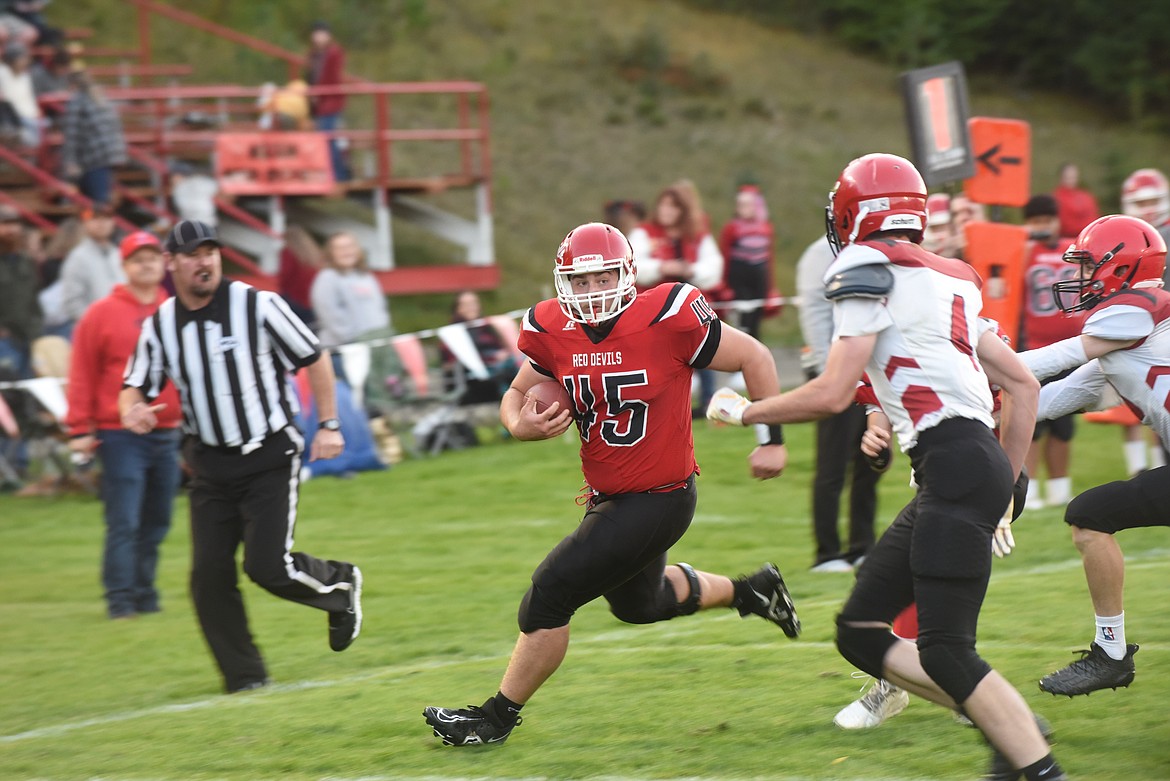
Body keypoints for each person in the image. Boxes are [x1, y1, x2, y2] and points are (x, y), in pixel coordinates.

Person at [708, 154, 1064, 781]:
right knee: (859, 631)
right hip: (962, 462)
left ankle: (1033, 763)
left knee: (947, 650)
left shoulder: (862, 264)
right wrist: (1005, 482)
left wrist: (745, 411)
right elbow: (1024, 384)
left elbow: (832, 392)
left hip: (953, 464)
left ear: (852, 213)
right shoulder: (953, 274)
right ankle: (1008, 728)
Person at [423, 222, 799, 747]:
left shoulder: (667, 316)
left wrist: (771, 437)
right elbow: (517, 391)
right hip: (613, 496)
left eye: (603, 279)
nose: (592, 292)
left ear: (626, 274)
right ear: (564, 284)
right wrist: (517, 423)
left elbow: (755, 356)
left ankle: (494, 719)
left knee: (550, 593)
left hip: (662, 496)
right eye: (581, 282)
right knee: (639, 606)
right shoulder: (552, 328)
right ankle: (752, 590)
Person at [119, 219, 363, 694]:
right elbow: (133, 386)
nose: (204, 261)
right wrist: (132, 412)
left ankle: (340, 587)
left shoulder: (258, 304)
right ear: (172, 264)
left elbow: (314, 357)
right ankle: (246, 678)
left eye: (210, 251)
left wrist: (329, 425)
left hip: (268, 453)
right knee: (208, 578)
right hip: (209, 465)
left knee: (266, 566)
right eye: (192, 254)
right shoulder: (162, 324)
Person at [1016, 214, 1167, 697]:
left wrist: (975, 363)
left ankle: (1112, 655)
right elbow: (1051, 398)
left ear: (1118, 267)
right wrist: (967, 407)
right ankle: (1111, 653)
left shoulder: (1137, 309)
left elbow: (1055, 359)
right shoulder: (1127, 338)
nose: (1078, 278)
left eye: (1086, 266)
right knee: (1090, 514)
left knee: (1090, 515)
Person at [65, 231, 182, 619]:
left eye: (152, 257)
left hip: (167, 430)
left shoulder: (175, 309)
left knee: (158, 518)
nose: (146, 264)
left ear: (163, 263)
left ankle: (145, 592)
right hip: (120, 432)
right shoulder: (101, 313)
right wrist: (80, 428)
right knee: (124, 519)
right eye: (138, 258)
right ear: (125, 265)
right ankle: (120, 598)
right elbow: (82, 371)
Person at [795, 233, 882, 573]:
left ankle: (862, 545)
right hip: (836, 370)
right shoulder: (821, 252)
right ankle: (827, 552)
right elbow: (816, 312)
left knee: (871, 460)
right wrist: (826, 372)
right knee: (832, 464)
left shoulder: (874, 248)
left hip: (872, 372)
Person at [628, 182, 724, 412]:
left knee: (704, 353)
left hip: (690, 307)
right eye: (664, 206)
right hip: (652, 309)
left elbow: (714, 268)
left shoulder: (697, 236)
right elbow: (631, 264)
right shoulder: (644, 233)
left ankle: (708, 404)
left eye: (673, 207)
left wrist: (691, 270)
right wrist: (662, 267)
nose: (667, 211)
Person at [1018, 194, 1084, 510]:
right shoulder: (1022, 253)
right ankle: (1029, 489)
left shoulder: (1075, 249)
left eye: (1047, 220)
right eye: (1036, 221)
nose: (1042, 227)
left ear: (1057, 220)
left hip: (1073, 349)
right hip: (1035, 348)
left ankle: (1060, 487)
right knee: (1032, 423)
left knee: (1064, 423)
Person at [309, 231, 396, 413]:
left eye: (349, 247)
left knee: (377, 398)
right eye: (340, 248)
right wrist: (355, 340)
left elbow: (380, 308)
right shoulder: (327, 278)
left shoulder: (365, 276)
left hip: (374, 347)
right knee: (356, 402)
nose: (346, 252)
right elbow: (329, 314)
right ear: (331, 253)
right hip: (346, 352)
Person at [718, 184, 779, 340]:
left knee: (756, 314)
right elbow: (724, 256)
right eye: (740, 205)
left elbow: (769, 257)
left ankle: (755, 348)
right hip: (739, 273)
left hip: (759, 273)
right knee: (742, 314)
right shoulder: (732, 228)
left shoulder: (766, 228)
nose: (743, 209)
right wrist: (724, 285)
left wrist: (771, 287)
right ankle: (741, 348)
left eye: (747, 205)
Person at [60, 67, 127, 205]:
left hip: (94, 157)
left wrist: (70, 162)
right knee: (101, 197)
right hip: (112, 154)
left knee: (97, 202)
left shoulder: (77, 101)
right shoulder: (101, 96)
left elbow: (72, 134)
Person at [440, 289, 516, 404]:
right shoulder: (452, 334)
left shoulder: (486, 327)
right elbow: (454, 363)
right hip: (475, 378)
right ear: (457, 308)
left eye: (473, 303)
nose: (471, 307)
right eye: (466, 304)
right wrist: (492, 358)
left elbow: (501, 348)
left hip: (500, 368)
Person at [57, 202, 121, 335]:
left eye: (106, 218)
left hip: (122, 327)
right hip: (93, 333)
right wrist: (97, 325)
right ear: (85, 223)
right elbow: (72, 303)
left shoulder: (119, 254)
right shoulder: (76, 258)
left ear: (113, 222)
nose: (101, 223)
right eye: (95, 218)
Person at [305, 20, 349, 182]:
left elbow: (333, 78)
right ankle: (334, 174)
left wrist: (320, 93)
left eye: (322, 33)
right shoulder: (314, 55)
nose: (319, 37)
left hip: (330, 102)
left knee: (329, 139)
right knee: (327, 139)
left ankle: (338, 175)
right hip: (321, 103)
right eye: (316, 33)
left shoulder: (333, 53)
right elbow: (312, 77)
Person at [0, 203, 41, 380]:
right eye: (5, 224)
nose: (11, 229)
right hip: (4, 338)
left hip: (27, 336)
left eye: (15, 223)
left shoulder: (26, 260)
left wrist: (36, 327)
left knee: (28, 392)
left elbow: (34, 298)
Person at [277, 224, 323, 327]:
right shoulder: (313, 252)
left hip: (293, 297)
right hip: (311, 300)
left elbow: (286, 274)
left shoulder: (288, 251)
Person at [0, 41, 41, 147]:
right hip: (11, 121)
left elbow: (30, 100)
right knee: (31, 139)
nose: (26, 61)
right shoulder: (2, 73)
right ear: (12, 59)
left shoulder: (25, 77)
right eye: (22, 58)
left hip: (30, 119)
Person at [1052, 162, 1099, 240]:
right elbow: (1064, 223)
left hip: (1088, 237)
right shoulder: (1056, 198)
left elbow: (1094, 216)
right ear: (1061, 177)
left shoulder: (1086, 196)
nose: (1071, 180)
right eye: (1068, 177)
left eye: (1073, 176)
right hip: (1067, 239)